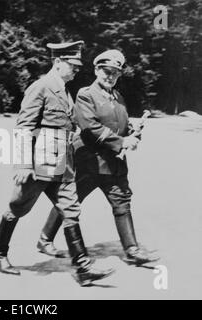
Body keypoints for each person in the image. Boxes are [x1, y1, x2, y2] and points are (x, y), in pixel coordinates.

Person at [0, 41, 115, 286]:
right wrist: (23, 165)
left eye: (78, 68)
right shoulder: (41, 87)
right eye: (72, 66)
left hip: (63, 163)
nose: (76, 71)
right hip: (41, 163)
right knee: (17, 207)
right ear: (58, 62)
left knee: (70, 210)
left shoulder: (64, 89)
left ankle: (83, 268)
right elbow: (24, 127)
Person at [37, 49, 159, 265]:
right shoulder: (85, 94)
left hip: (114, 164)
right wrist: (122, 142)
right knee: (69, 202)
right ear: (96, 70)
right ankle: (45, 239)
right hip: (88, 163)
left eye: (115, 72)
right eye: (106, 71)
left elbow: (116, 124)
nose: (110, 76)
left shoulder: (118, 97)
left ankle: (132, 250)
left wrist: (132, 129)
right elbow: (91, 127)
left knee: (122, 202)